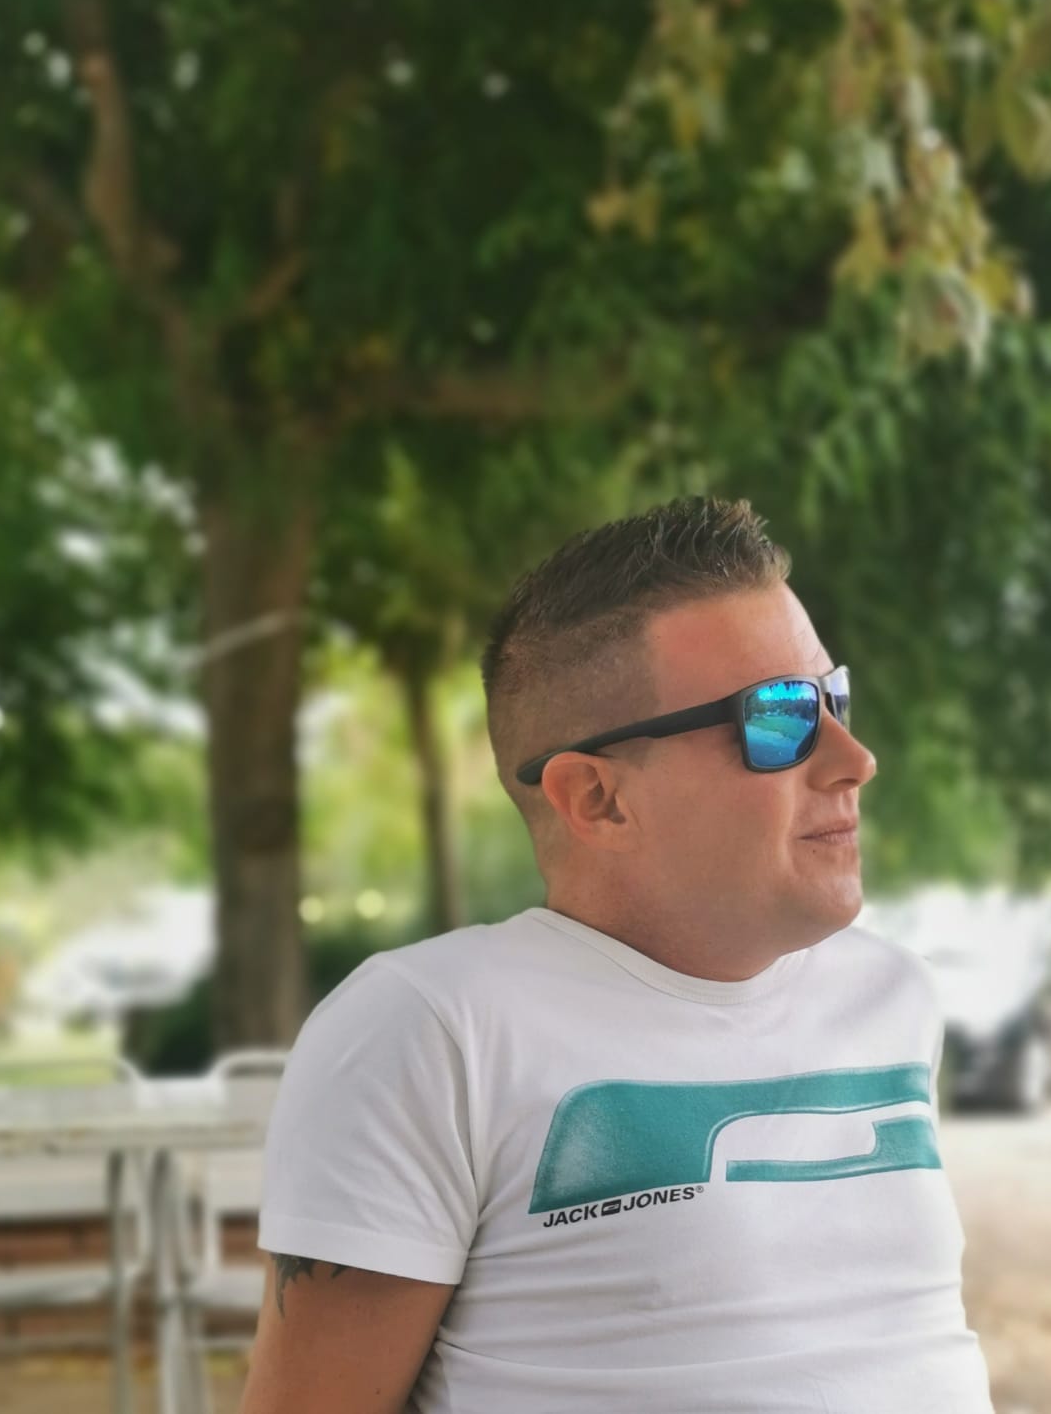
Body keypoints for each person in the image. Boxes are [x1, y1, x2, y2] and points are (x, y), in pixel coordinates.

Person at [242, 497, 993, 1413]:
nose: (854, 758)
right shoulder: (431, 1030)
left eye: (833, 699)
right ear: (597, 799)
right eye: (780, 719)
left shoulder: (892, 995)